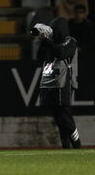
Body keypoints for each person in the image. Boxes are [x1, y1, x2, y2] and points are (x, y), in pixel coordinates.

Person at [31, 18, 82, 148]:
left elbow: (61, 54)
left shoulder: (70, 41)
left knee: (65, 115)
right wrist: (43, 41)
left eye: (55, 28)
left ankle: (77, 144)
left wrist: (48, 41)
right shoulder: (50, 42)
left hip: (64, 81)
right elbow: (40, 57)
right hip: (50, 81)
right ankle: (66, 145)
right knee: (58, 117)